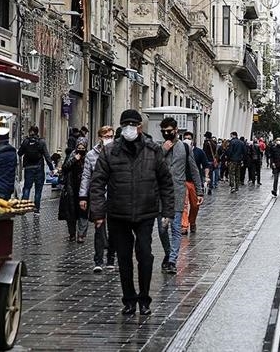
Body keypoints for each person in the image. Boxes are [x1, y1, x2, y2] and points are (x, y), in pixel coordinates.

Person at [89, 110, 177, 315]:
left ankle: (144, 299)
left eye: (133, 124)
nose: (129, 128)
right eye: (125, 124)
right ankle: (128, 299)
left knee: (145, 254)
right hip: (118, 212)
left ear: (140, 127)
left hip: (146, 211)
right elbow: (97, 183)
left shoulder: (153, 150)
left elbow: (166, 182)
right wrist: (98, 213)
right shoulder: (110, 151)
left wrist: (167, 211)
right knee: (124, 257)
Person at [157, 117, 200, 274]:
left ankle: (172, 260)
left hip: (178, 193)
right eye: (163, 131)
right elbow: (151, 165)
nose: (166, 133)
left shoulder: (185, 148)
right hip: (161, 195)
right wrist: (163, 150)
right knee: (162, 229)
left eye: (169, 131)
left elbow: (194, 169)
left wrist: (199, 190)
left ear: (176, 130)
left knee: (176, 228)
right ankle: (168, 253)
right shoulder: (158, 147)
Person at [79, 125, 116, 273]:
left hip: (114, 196)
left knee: (114, 229)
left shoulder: (117, 152)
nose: (109, 139)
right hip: (98, 195)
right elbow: (86, 176)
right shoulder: (91, 155)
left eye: (111, 136)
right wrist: (83, 196)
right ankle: (98, 260)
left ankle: (111, 258)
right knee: (99, 227)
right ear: (100, 137)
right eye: (106, 137)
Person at [18, 125, 54, 213]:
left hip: (28, 168)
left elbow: (19, 153)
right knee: (38, 190)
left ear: (29, 131)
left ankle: (23, 208)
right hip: (39, 168)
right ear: (37, 132)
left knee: (27, 188)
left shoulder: (26, 141)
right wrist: (51, 168)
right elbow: (47, 156)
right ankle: (36, 209)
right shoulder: (41, 142)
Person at [58, 138, 89, 242]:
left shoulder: (88, 157)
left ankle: (81, 235)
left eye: (83, 148)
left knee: (83, 212)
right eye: (79, 148)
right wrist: (74, 159)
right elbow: (64, 168)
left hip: (84, 190)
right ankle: (72, 234)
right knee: (71, 213)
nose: (81, 150)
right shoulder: (71, 155)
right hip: (71, 188)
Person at [181, 131, 207, 235]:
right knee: (183, 205)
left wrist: (206, 178)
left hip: (193, 182)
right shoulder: (179, 151)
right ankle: (184, 225)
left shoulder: (198, 152)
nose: (187, 140)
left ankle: (192, 222)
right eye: (185, 138)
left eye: (189, 138)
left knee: (195, 205)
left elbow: (202, 167)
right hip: (183, 182)